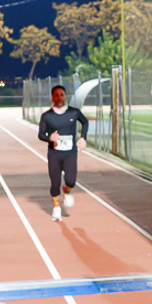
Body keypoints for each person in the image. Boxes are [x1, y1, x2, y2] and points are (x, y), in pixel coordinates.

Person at [38, 85, 89, 221]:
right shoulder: (47, 116)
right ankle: (56, 208)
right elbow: (41, 135)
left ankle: (67, 191)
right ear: (52, 98)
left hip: (70, 153)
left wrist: (83, 137)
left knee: (71, 181)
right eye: (56, 95)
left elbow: (85, 122)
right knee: (55, 183)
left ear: (65, 96)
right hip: (54, 154)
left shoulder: (74, 113)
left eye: (62, 95)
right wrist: (50, 138)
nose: (59, 98)